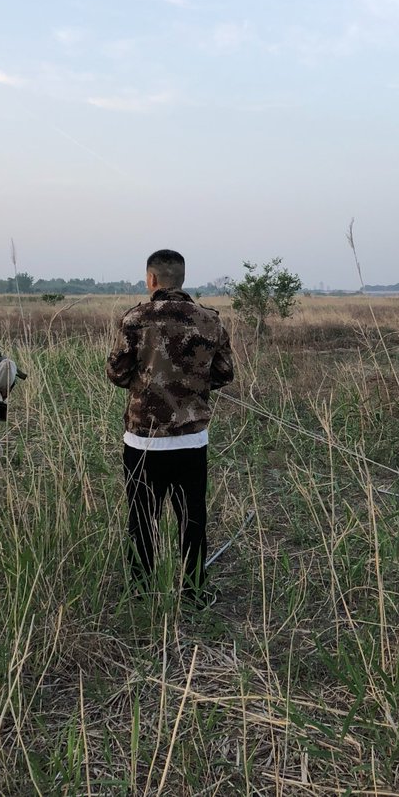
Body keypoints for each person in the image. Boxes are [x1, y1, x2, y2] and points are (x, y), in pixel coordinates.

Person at [106, 249, 234, 605]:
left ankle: (141, 592)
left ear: (151, 279)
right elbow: (224, 373)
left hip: (142, 440)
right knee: (192, 519)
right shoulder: (210, 320)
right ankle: (194, 593)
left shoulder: (134, 319)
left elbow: (116, 373)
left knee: (142, 519)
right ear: (182, 278)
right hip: (191, 440)